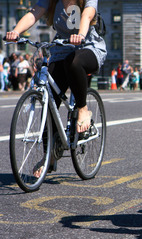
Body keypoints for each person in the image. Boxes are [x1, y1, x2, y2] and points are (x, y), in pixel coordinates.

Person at [6, 0, 107, 177]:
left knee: (74, 63)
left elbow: (87, 14)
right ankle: (50, 157)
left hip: (88, 46)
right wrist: (15, 31)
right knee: (49, 98)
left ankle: (83, 109)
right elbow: (34, 13)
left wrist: (81, 34)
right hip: (60, 50)